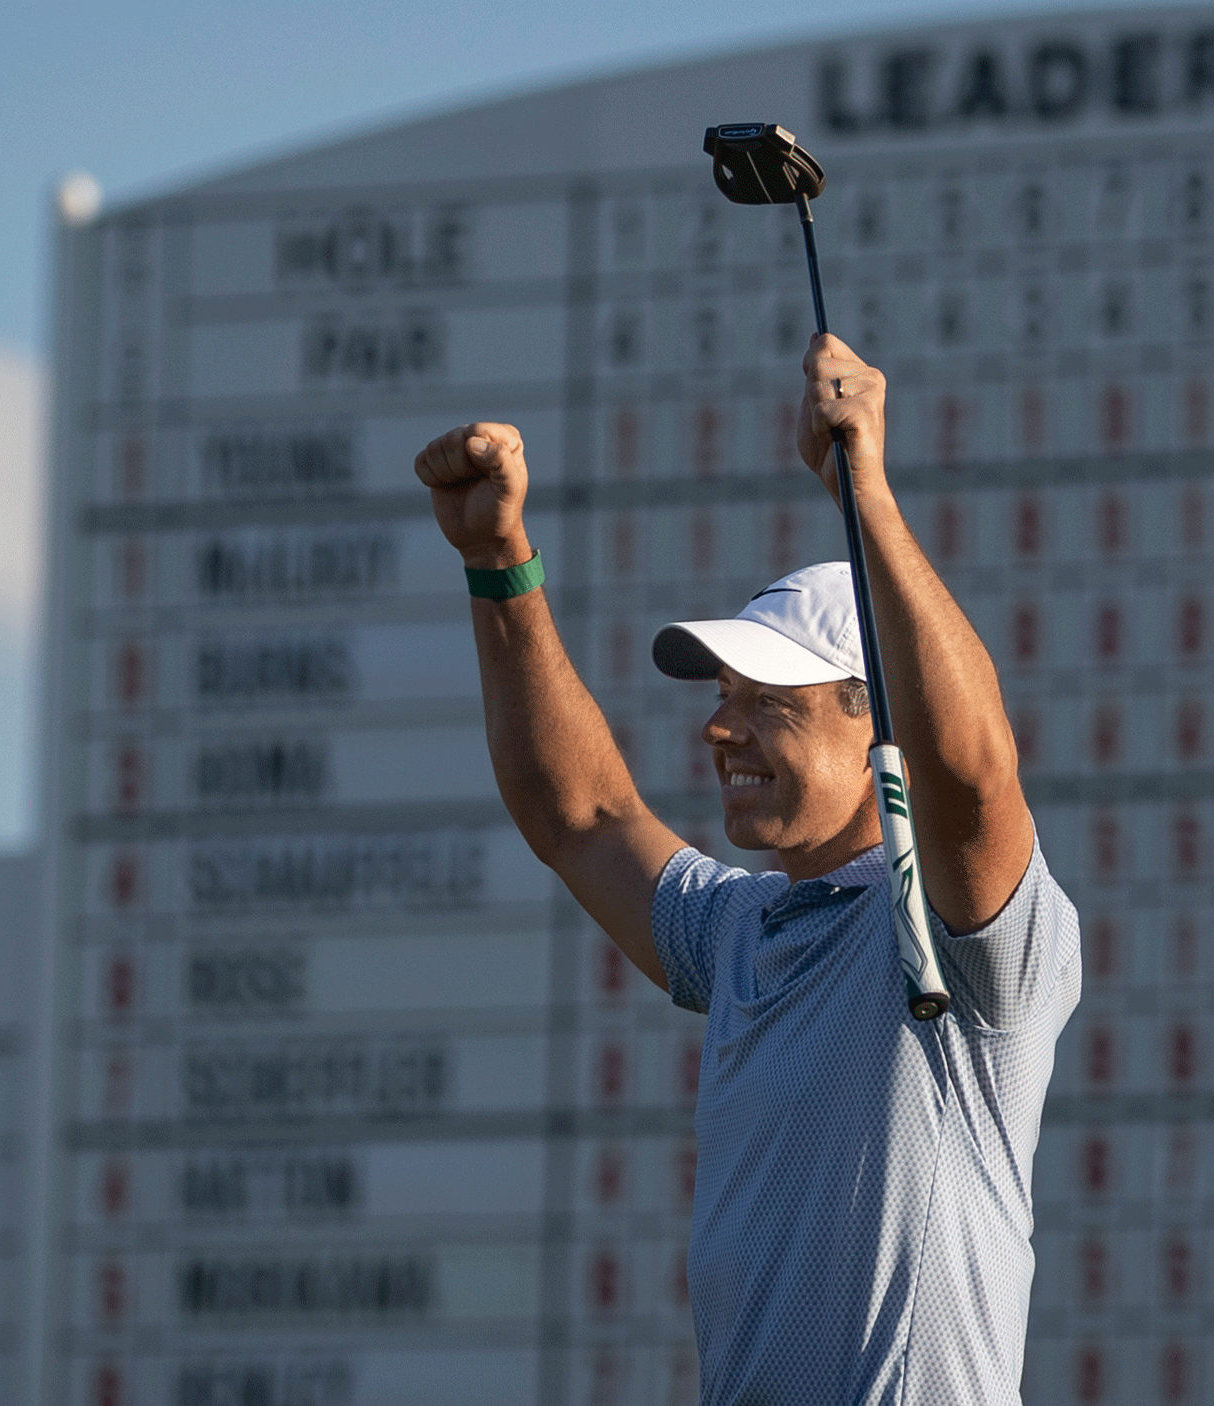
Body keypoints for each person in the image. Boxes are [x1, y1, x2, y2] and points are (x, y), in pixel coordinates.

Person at [415, 334, 1079, 1405]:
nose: (719, 727)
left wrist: (864, 493)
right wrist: (499, 562)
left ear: (876, 723)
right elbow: (578, 813)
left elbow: (972, 770)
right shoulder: (738, 932)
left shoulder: (963, 927)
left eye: (768, 698)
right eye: (720, 695)